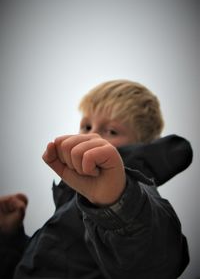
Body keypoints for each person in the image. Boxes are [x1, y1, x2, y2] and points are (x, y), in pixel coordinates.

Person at [0, 80, 193, 279]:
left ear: (141, 145)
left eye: (111, 131)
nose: (92, 135)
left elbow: (155, 260)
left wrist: (118, 203)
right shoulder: (70, 204)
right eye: (87, 126)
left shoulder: (134, 196)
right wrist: (10, 238)